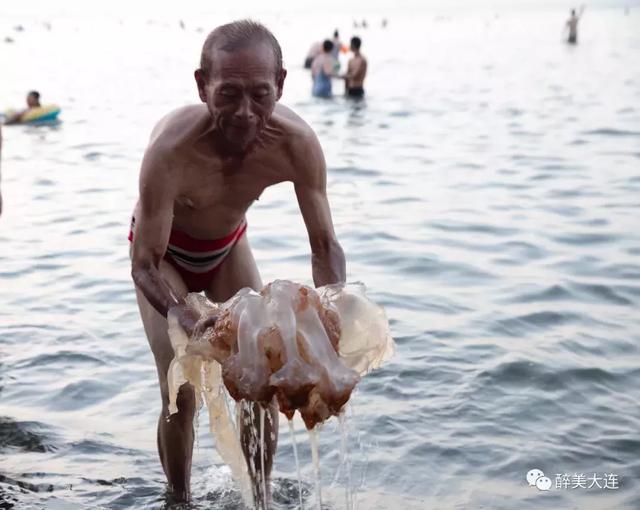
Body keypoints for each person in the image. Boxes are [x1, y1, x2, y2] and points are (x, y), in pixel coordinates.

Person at [129, 19, 346, 504]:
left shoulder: (296, 143)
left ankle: (261, 497)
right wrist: (182, 313)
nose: (245, 113)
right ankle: (178, 497)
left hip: (228, 248)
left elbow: (325, 246)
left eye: (260, 95)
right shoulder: (171, 150)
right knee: (179, 391)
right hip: (165, 259)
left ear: (282, 85)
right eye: (227, 94)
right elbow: (143, 263)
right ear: (203, 86)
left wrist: (333, 311)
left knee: (258, 381)